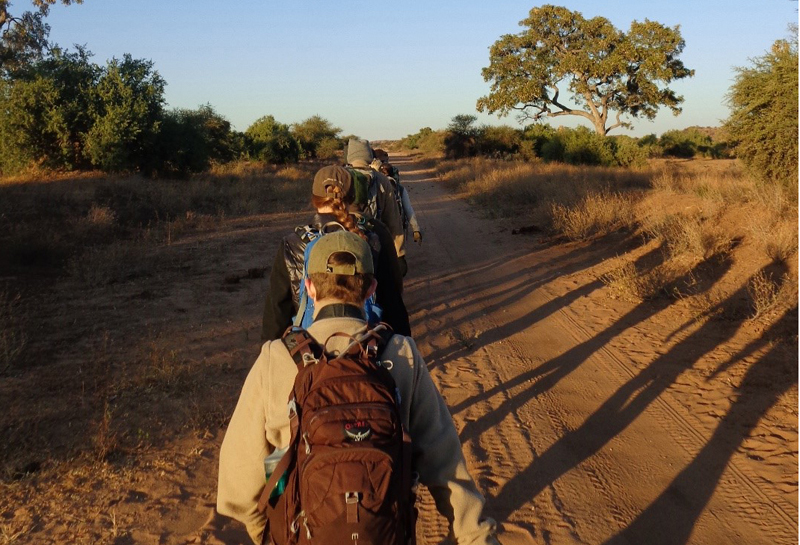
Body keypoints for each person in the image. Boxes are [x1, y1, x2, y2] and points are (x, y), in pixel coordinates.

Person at [218, 230, 500, 545]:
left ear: (309, 289)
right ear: (371, 290)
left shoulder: (277, 358)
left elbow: (239, 488)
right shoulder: (400, 352)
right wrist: (476, 534)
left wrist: (268, 533)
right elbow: (445, 462)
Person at [261, 165, 410, 342]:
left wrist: (272, 353)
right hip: (365, 348)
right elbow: (393, 303)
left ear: (314, 199)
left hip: (311, 350)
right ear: (353, 197)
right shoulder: (373, 237)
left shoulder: (293, 243)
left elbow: (277, 312)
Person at [344, 138, 407, 273]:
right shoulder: (381, 179)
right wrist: (399, 253)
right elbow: (393, 219)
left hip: (345, 241)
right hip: (374, 241)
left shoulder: (340, 177)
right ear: (369, 155)